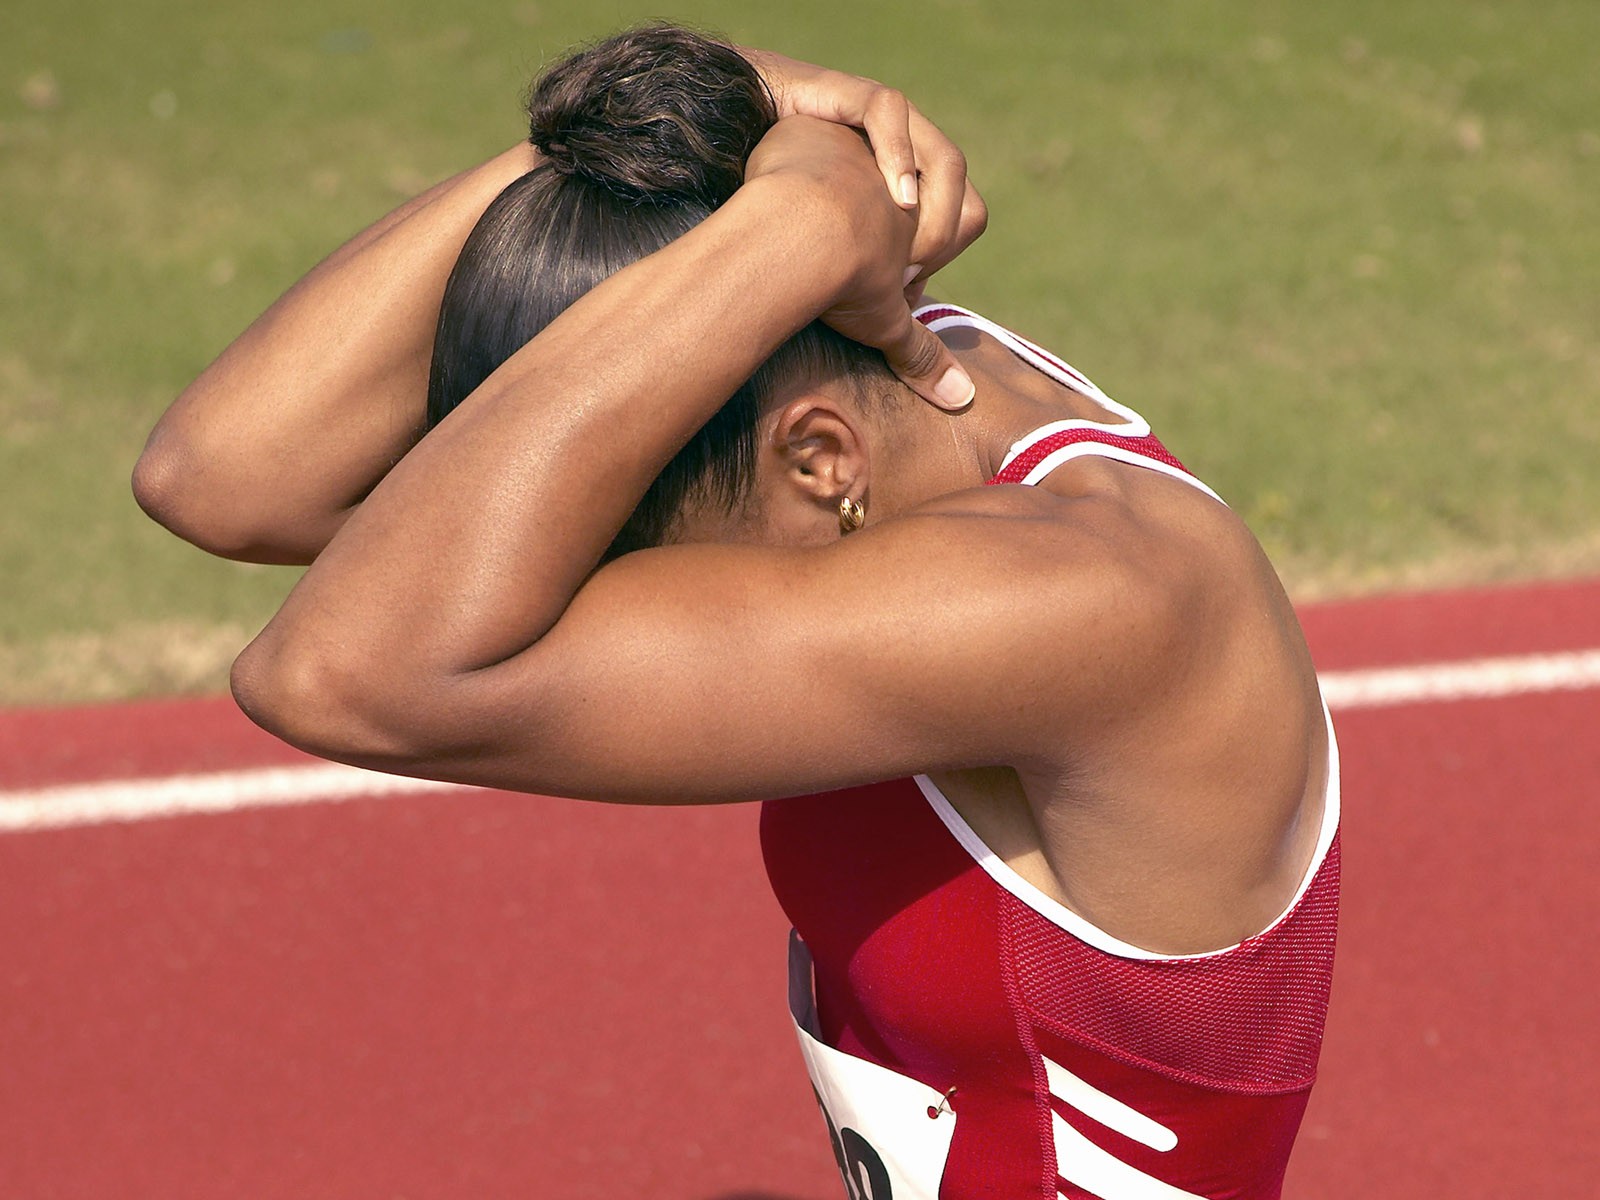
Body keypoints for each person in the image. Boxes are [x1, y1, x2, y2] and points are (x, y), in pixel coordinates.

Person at [135, 25, 1338, 1200]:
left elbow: (338, 675)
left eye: (635, 564)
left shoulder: (1085, 600)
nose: (590, 604)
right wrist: (672, 110)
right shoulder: (876, 370)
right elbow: (227, 481)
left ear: (820, 463)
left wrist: (800, 218)